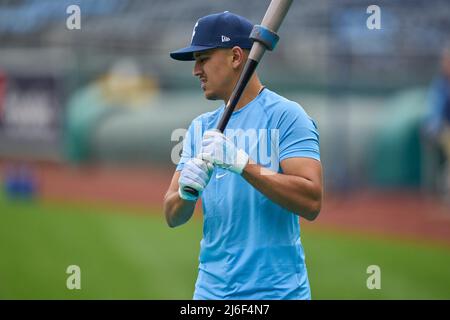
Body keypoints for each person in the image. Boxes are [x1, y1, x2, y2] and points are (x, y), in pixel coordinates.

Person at [163, 11, 323, 300]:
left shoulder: (287, 117)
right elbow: (171, 214)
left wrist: (242, 164)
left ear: (236, 57)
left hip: (278, 294)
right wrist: (186, 196)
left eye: (203, 59)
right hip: (211, 294)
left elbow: (311, 200)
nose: (195, 70)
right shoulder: (201, 128)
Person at [422, 46, 450, 200]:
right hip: (444, 128)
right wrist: (433, 127)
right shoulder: (440, 85)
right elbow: (434, 112)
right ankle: (446, 190)